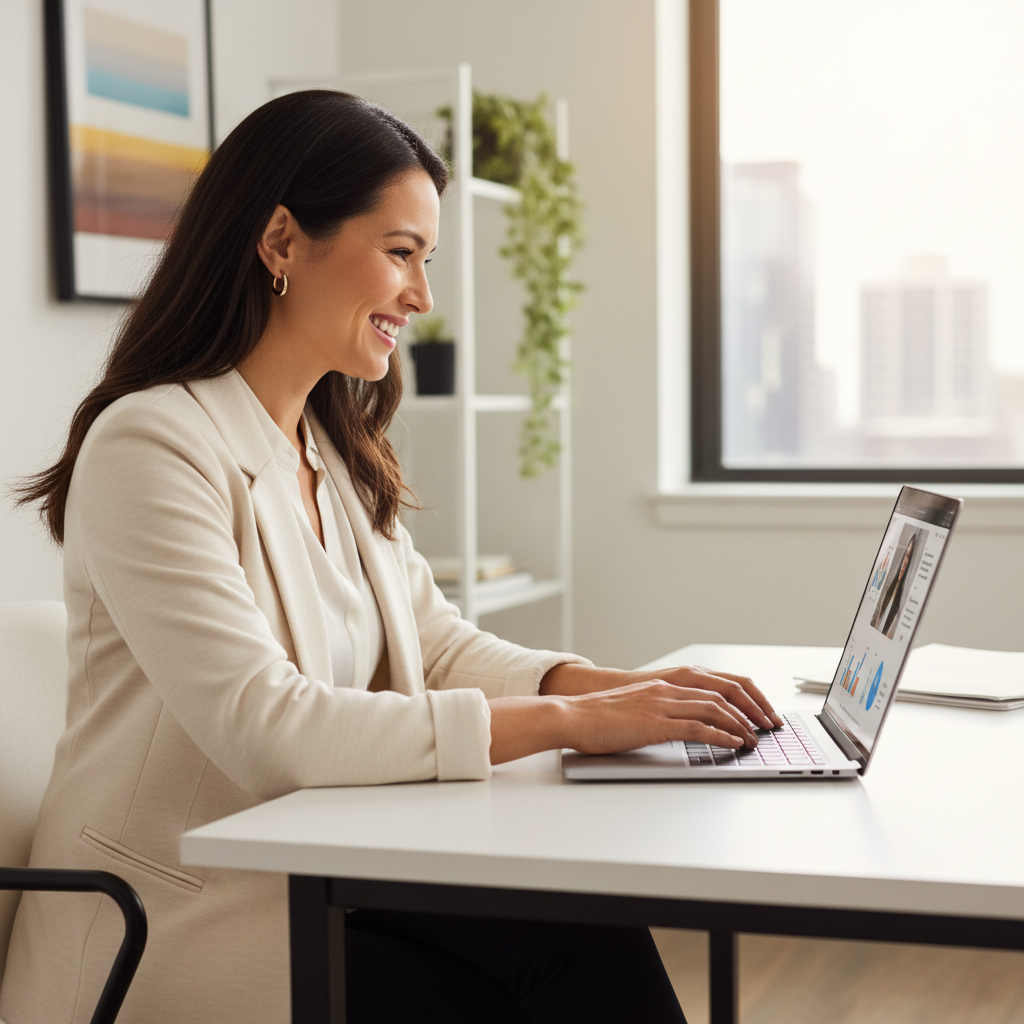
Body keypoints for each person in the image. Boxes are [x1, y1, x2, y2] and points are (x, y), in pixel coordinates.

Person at [2, 91, 780, 1024]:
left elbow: (437, 645)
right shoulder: (152, 446)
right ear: (282, 241)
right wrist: (576, 724)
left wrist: (609, 690)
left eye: (426, 260)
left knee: (583, 932)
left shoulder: (325, 445)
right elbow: (269, 726)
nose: (422, 296)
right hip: (175, 923)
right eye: (401, 254)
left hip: (322, 870)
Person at [870, 533, 918, 639]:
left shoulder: (902, 599)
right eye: (905, 556)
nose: (905, 562)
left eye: (908, 557)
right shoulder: (887, 590)